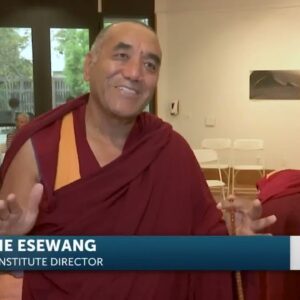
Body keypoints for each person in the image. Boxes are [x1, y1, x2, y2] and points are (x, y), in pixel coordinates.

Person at [0, 21, 276, 300]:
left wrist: (235, 244)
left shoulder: (170, 150)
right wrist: (10, 244)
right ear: (88, 66)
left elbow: (199, 241)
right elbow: (9, 274)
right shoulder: (41, 149)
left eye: (150, 65)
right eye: (121, 55)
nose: (134, 73)